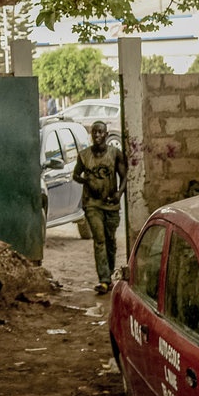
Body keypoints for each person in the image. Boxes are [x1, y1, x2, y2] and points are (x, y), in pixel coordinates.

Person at [73, 121, 124, 293]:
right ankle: (103, 279)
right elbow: (75, 175)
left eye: (100, 132)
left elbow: (124, 176)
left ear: (106, 134)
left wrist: (120, 193)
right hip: (92, 203)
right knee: (99, 239)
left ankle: (109, 275)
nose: (97, 135)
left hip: (110, 203)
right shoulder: (85, 155)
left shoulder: (115, 153)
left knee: (110, 240)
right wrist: (85, 181)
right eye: (94, 132)